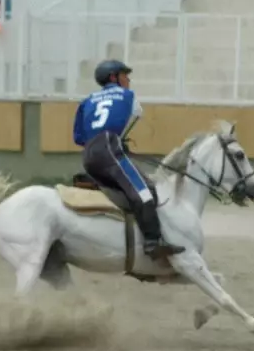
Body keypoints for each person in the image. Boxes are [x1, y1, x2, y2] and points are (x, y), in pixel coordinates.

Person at [73, 59, 184, 260]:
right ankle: (153, 243)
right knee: (145, 191)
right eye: (125, 75)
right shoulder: (127, 95)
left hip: (89, 154)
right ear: (113, 77)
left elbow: (78, 138)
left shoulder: (87, 100)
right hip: (108, 148)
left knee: (123, 188)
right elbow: (137, 114)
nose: (128, 79)